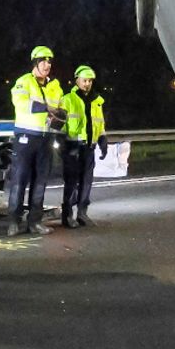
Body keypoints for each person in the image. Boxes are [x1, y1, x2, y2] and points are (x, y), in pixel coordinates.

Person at [7, 46, 66, 236]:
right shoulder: (24, 82)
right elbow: (21, 103)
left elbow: (62, 110)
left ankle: (35, 222)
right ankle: (14, 222)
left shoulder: (55, 86)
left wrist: (61, 117)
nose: (47, 65)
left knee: (40, 182)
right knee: (19, 180)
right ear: (35, 63)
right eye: (43, 61)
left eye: (50, 61)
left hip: (45, 139)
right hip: (26, 137)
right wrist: (46, 108)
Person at [61, 65, 107, 228]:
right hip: (72, 146)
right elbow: (61, 125)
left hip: (89, 147)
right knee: (71, 182)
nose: (87, 84)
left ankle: (82, 213)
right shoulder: (68, 99)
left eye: (89, 81)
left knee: (86, 182)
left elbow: (99, 123)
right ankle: (67, 215)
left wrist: (102, 139)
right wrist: (64, 143)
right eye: (84, 80)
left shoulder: (97, 101)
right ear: (77, 81)